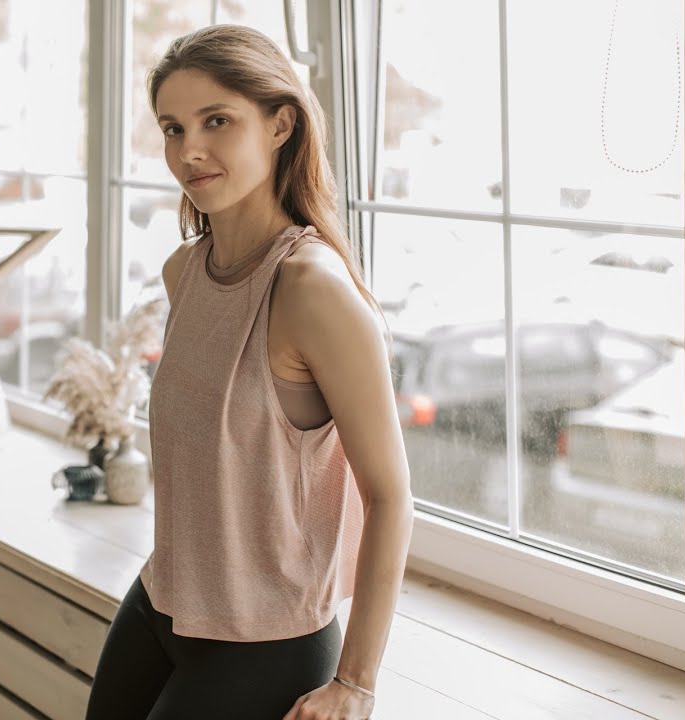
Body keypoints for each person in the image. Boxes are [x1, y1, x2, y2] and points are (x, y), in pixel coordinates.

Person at [85, 24, 414, 720]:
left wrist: (355, 684)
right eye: (173, 128)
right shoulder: (185, 272)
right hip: (161, 604)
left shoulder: (310, 289)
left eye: (217, 121)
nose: (188, 151)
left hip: (268, 641)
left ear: (280, 124)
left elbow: (389, 496)